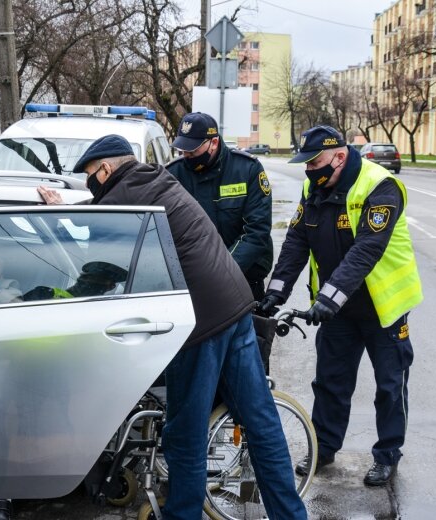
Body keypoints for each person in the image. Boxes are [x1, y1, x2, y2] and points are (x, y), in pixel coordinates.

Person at [41, 134, 307, 520]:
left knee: (185, 432)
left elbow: (103, 260)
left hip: (200, 322)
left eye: (89, 176)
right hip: (234, 306)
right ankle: (291, 515)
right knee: (260, 421)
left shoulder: (124, 199)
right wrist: (68, 206)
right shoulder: (156, 179)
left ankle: (182, 514)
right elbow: (112, 211)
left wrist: (68, 271)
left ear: (105, 169)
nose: (89, 184)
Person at [258, 125, 423, 487]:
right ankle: (324, 449)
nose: (309, 170)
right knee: (331, 382)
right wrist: (277, 292)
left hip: (384, 307)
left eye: (315, 162)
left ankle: (387, 455)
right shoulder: (314, 186)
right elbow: (298, 240)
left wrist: (328, 298)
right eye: (306, 162)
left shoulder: (380, 186)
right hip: (339, 310)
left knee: (389, 386)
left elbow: (366, 249)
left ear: (340, 156)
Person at [166, 112, 273, 301]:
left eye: (193, 150)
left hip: (243, 277)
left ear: (213, 143)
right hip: (191, 283)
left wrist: (222, 272)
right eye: (183, 151)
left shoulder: (247, 169)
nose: (187, 156)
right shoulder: (172, 174)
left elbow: (256, 231)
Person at [22, 260, 128, 300]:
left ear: (110, 287)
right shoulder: (42, 293)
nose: (86, 282)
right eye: (85, 277)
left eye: (97, 280)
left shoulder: (97, 312)